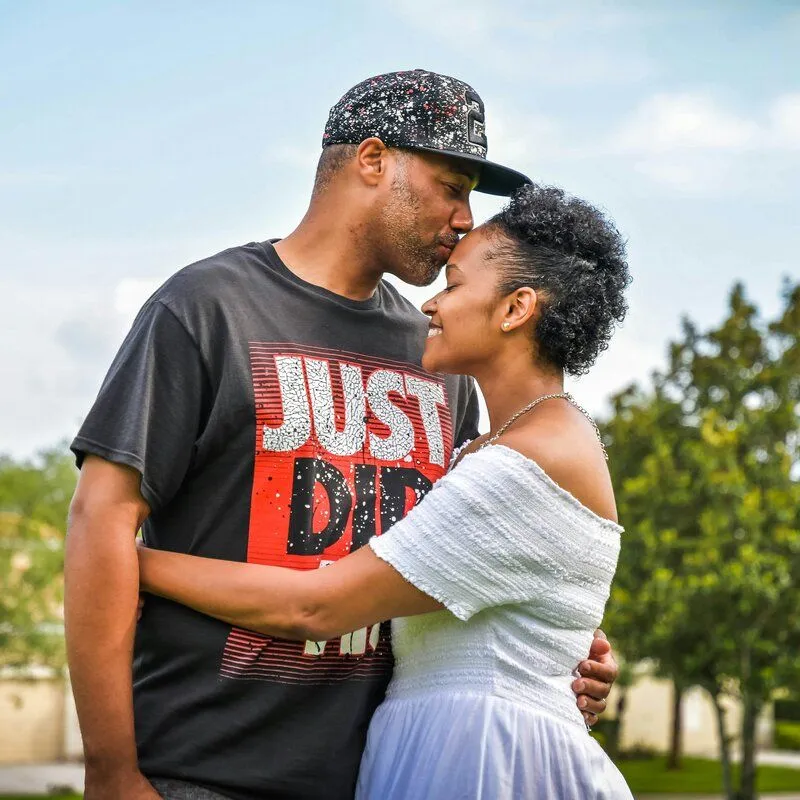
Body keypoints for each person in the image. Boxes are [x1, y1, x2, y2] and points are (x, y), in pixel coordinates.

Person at [65, 70, 618, 800]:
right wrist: (111, 770)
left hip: (375, 772)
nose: (463, 217)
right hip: (201, 770)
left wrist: (552, 652)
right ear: (371, 160)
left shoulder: (439, 356)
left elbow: (455, 557)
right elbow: (100, 519)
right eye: (451, 185)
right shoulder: (207, 307)